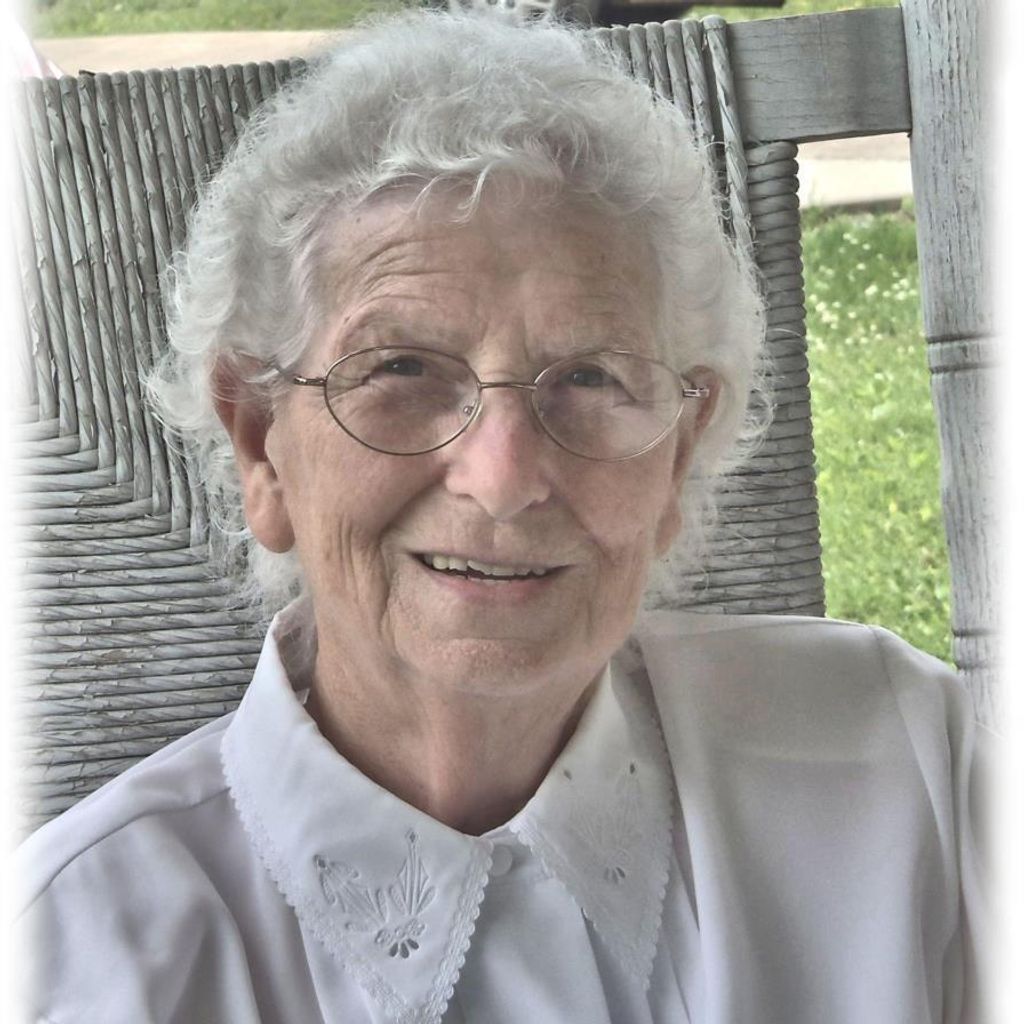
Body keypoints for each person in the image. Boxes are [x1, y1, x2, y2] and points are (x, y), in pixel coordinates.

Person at [14, 10, 988, 1023]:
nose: (504, 475)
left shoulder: (904, 773)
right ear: (261, 444)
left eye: (590, 376)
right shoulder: (77, 965)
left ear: (678, 453)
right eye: (399, 368)